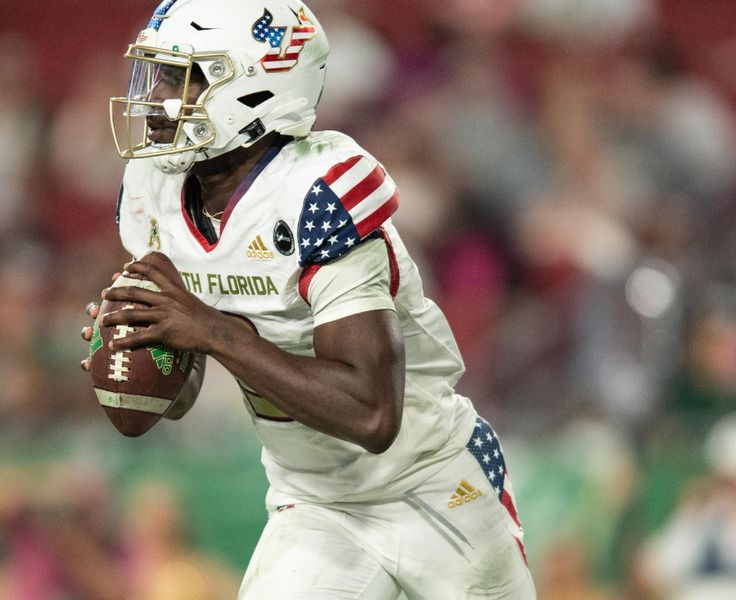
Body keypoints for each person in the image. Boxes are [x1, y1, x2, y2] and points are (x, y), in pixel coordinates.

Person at [81, 0, 535, 597]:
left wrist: (210, 329)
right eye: (159, 73)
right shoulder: (153, 193)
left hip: (433, 488)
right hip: (315, 504)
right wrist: (144, 344)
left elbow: (372, 414)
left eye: (181, 77)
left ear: (249, 90)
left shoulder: (316, 194)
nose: (157, 95)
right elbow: (181, 395)